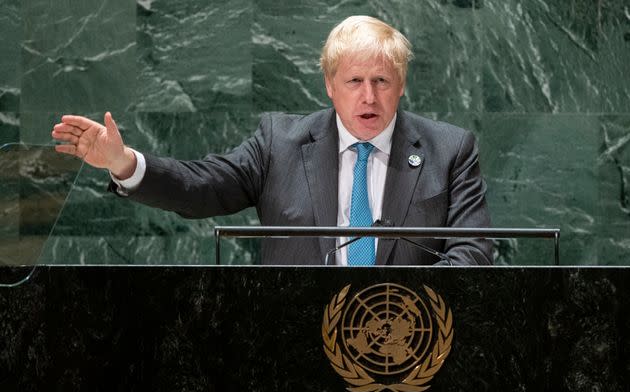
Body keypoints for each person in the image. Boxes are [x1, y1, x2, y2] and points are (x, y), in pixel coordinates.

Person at [52, 15, 492, 266]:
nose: (368, 96)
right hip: (288, 339)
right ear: (329, 86)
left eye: (381, 80)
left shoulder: (449, 150)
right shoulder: (279, 142)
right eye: (354, 80)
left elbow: (473, 252)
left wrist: (400, 309)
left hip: (406, 343)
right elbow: (203, 187)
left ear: (401, 85)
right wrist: (125, 162)